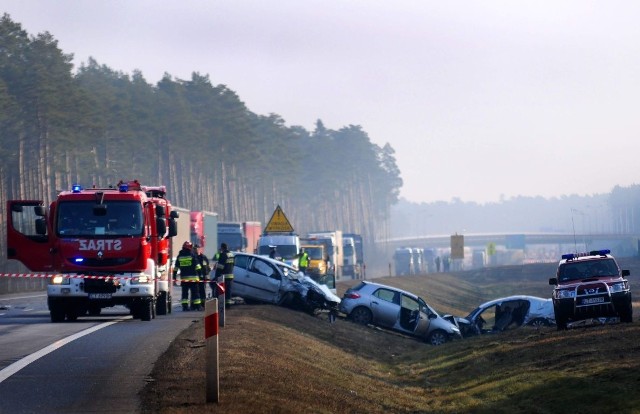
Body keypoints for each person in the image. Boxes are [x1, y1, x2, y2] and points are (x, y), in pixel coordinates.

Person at [173, 241, 202, 311]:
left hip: (184, 278)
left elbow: (176, 267)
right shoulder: (192, 254)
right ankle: (197, 306)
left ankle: (185, 307)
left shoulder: (180, 255)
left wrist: (174, 277)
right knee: (195, 293)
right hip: (194, 278)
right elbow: (198, 266)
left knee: (184, 293)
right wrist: (200, 275)